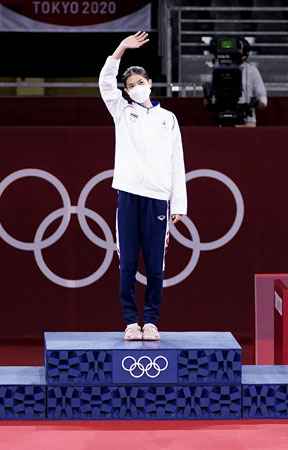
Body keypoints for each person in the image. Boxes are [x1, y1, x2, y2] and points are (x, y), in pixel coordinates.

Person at [99, 31, 187, 341]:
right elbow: (105, 84)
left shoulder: (168, 119)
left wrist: (179, 204)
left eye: (140, 83)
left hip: (158, 199)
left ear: (150, 83)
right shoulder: (123, 112)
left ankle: (150, 321)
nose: (135, 88)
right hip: (128, 194)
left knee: (155, 264)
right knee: (127, 263)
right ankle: (129, 322)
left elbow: (177, 161)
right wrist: (121, 49)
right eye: (130, 86)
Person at [230, 47, 268, 127]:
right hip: (227, 118)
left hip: (248, 119)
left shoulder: (252, 70)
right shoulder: (220, 69)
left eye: (240, 48)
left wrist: (262, 102)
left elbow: (261, 94)